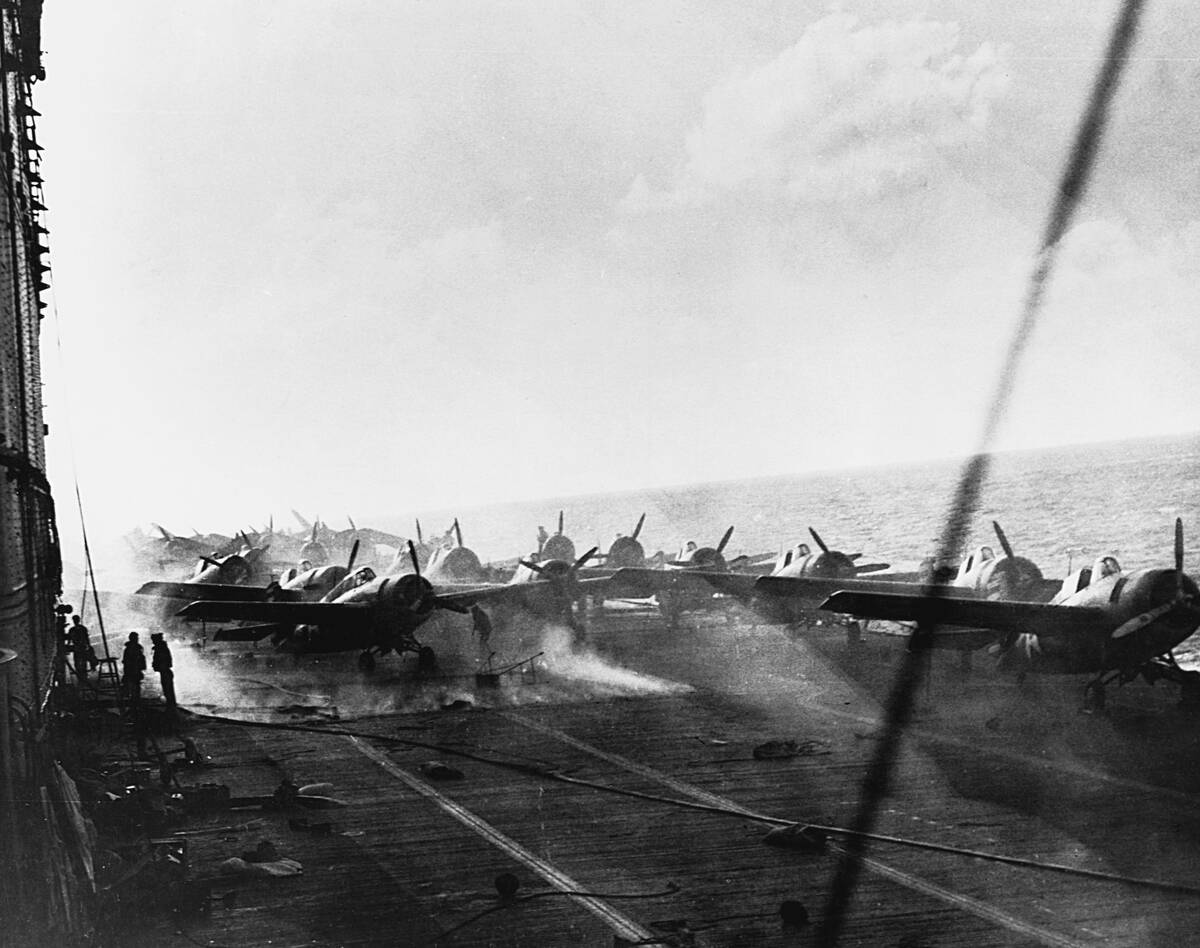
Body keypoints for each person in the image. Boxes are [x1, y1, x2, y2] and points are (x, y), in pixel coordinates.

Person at [151, 632, 176, 715]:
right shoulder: (162, 648)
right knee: (168, 690)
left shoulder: (160, 649)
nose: (152, 642)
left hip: (165, 672)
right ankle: (171, 707)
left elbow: (163, 661)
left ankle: (171, 708)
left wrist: (156, 665)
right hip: (165, 671)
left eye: (153, 640)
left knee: (168, 690)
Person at [122, 632, 147, 705]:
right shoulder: (135, 649)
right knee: (134, 685)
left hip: (133, 669)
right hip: (133, 669)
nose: (137, 639)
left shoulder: (130, 649)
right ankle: (135, 699)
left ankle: (134, 699)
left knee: (134, 685)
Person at [68, 615, 94, 684]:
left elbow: (86, 638)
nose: (75, 621)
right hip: (78, 649)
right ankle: (81, 678)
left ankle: (83, 678)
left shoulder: (81, 629)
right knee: (78, 664)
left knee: (82, 664)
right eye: (75, 620)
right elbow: (70, 639)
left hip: (81, 649)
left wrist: (88, 646)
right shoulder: (74, 629)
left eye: (76, 620)